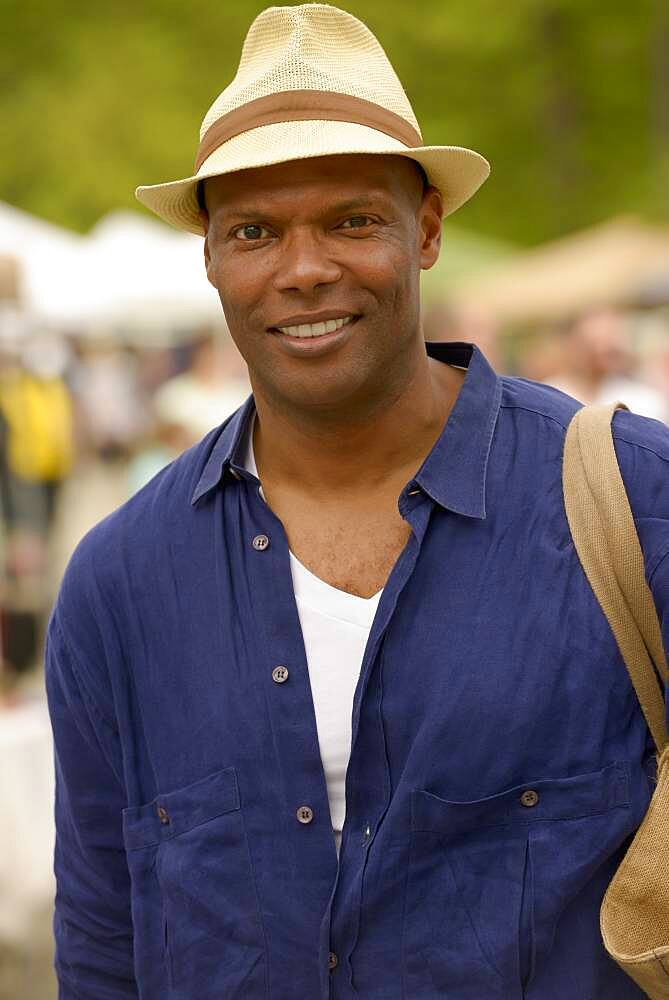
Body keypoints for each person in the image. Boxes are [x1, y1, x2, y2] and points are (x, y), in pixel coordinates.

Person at [45, 6, 669, 999]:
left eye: (352, 220)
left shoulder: (633, 503)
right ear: (209, 255)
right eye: (254, 230)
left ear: (424, 229)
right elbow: (101, 939)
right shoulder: (120, 584)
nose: (304, 269)